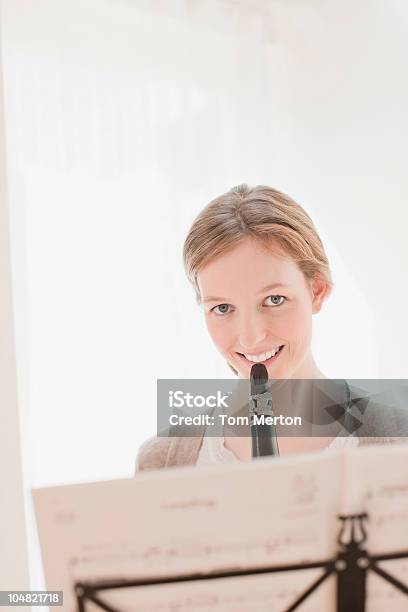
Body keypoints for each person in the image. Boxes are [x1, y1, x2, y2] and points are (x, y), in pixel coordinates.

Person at [136, 185, 407, 472]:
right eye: (223, 308)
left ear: (316, 290)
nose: (251, 337)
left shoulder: (398, 441)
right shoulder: (162, 460)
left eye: (274, 300)